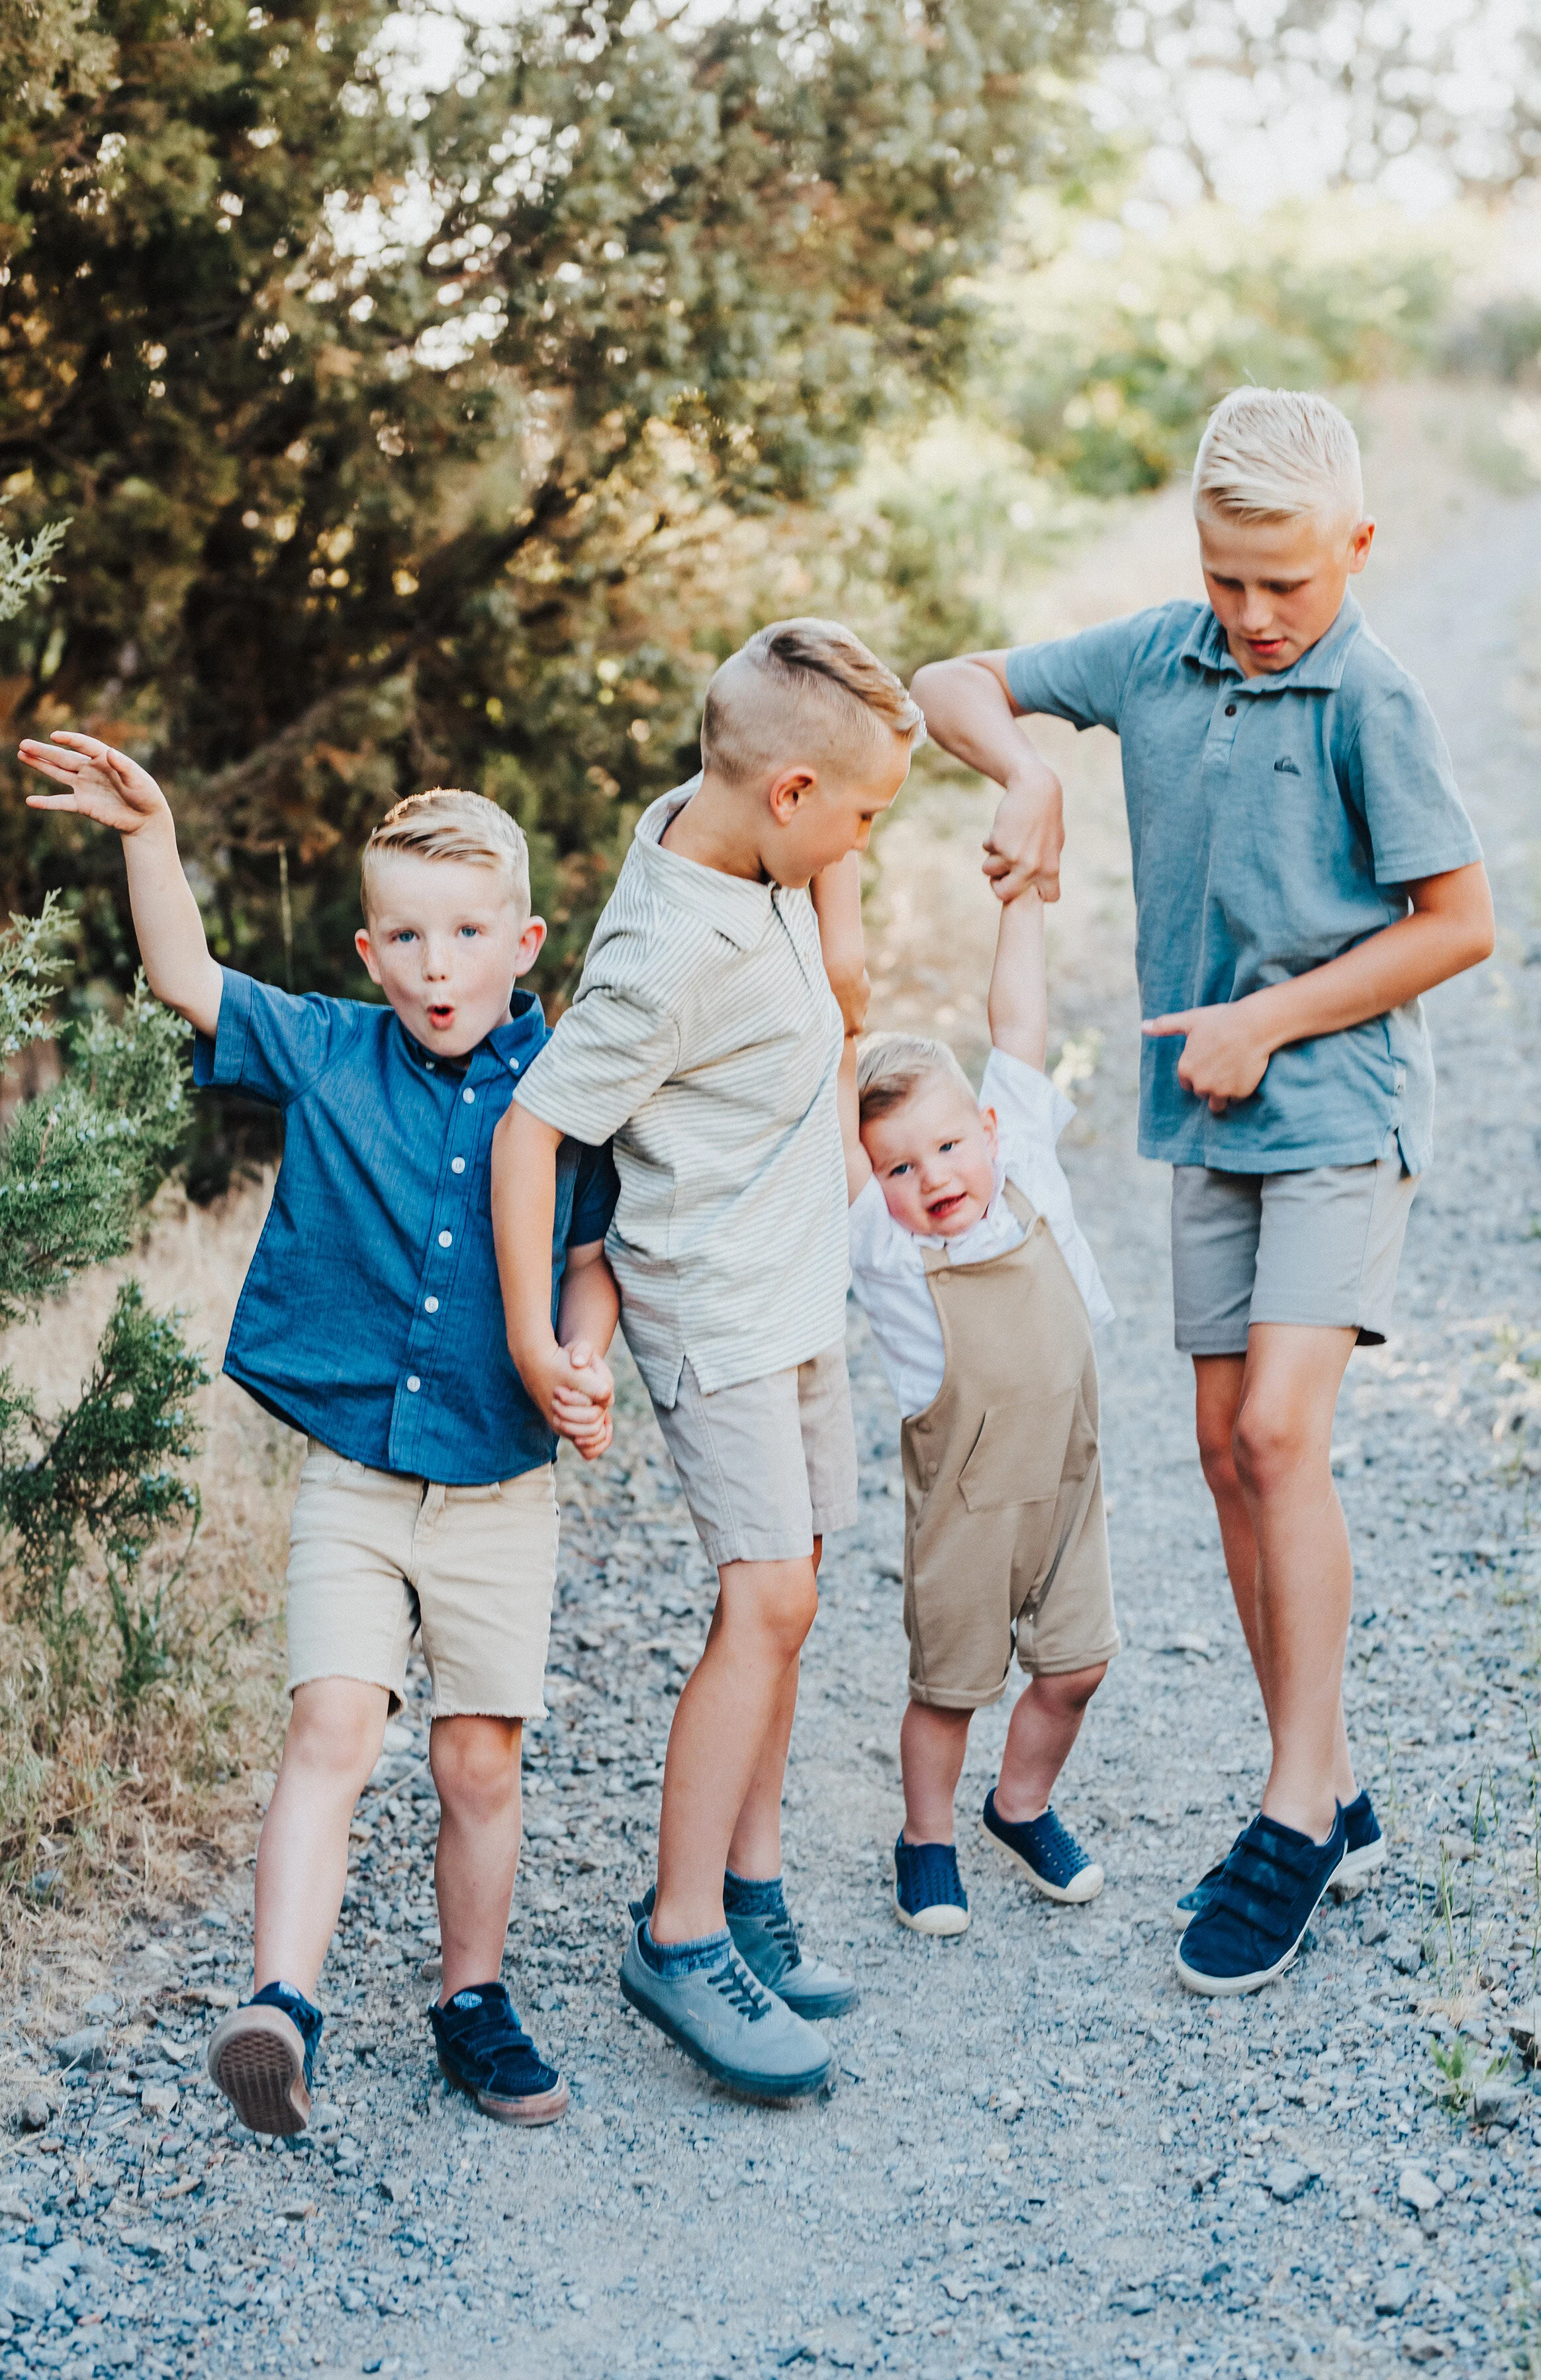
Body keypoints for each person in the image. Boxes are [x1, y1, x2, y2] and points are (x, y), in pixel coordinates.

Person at [911, 385, 1495, 1996]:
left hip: (1333, 1102)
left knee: (1281, 1436)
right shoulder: (1162, 652)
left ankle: (1295, 1811)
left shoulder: (1368, 696)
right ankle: (1336, 1779)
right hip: (1207, 1118)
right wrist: (1022, 776)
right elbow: (948, 681)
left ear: (1357, 550)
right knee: (1222, 1454)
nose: (1250, 615)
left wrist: (1271, 1017)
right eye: (1226, 578)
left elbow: (1459, 924)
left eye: (1286, 586)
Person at [17, 742, 620, 2125]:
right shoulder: (337, 1054)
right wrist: (149, 832)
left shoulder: (566, 1091)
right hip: (354, 1477)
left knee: (478, 1760)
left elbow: (595, 1253)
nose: (434, 965)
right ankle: (279, 2004)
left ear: (524, 943)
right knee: (329, 1727)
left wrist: (583, 1353)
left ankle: (474, 1999)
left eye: (468, 935)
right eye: (404, 936)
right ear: (370, 947)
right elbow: (189, 979)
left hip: (498, 1487)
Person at [491, 619, 919, 2100]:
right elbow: (538, 1127)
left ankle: (750, 1893)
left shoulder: (736, 828)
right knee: (770, 1594)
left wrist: (848, 925)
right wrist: (539, 1336)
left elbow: (807, 754)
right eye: (863, 819)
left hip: (795, 1280)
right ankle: (678, 1938)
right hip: (717, 1303)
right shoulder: (669, 951)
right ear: (793, 796)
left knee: (794, 1598)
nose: (867, 840)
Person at [819, 870, 1117, 1935]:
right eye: (897, 1165)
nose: (932, 1176)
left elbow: (1019, 1017)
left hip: (1068, 1488)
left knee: (1077, 1664)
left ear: (990, 1127)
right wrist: (830, 886)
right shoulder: (886, 1245)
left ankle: (1021, 1803)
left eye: (948, 1146)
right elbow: (832, 1054)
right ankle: (927, 1836)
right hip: (964, 1510)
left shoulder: (1023, 1153)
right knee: (950, 1685)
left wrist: (1025, 896)